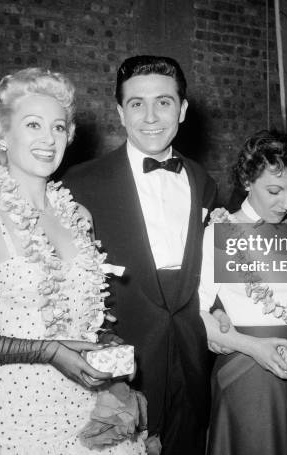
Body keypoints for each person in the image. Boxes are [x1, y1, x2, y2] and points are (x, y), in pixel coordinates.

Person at [0, 68, 146, 454]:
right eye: (33, 125)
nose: (49, 139)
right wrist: (47, 351)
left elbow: (87, 317)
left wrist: (107, 353)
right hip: (8, 418)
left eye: (59, 127)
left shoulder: (79, 217)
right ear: (1, 135)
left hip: (82, 411)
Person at [64, 55, 224, 455]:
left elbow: (208, 270)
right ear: (120, 112)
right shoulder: (80, 184)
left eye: (164, 102)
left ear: (183, 109)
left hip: (190, 357)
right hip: (119, 366)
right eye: (137, 103)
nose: (151, 116)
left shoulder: (204, 182)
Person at [200, 131, 287, 455]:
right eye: (274, 191)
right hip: (246, 372)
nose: (285, 203)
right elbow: (196, 312)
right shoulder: (221, 233)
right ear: (248, 180)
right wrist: (253, 347)